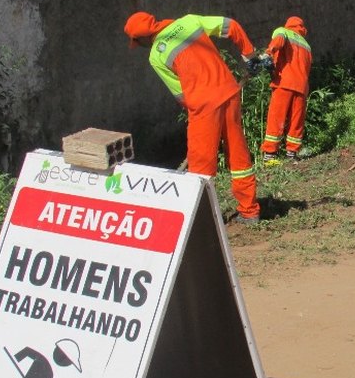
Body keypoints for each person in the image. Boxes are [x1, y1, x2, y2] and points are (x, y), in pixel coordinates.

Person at [124, 11, 262, 224]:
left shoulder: (157, 55)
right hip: (229, 92)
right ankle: (250, 210)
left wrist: (198, 111)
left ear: (141, 38)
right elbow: (231, 26)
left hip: (203, 106)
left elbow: (180, 93)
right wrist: (249, 54)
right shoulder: (189, 22)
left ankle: (201, 219)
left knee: (201, 165)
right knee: (238, 154)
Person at [260, 16, 312, 166]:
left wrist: (268, 53)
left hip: (284, 82)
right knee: (296, 120)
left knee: (277, 117)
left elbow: (277, 42)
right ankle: (292, 154)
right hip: (301, 86)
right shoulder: (307, 45)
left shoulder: (283, 31)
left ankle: (270, 155)